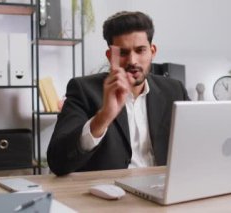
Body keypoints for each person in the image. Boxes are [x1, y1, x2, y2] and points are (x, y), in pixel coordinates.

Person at [47, 11, 190, 176]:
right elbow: (57, 161)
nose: (132, 61)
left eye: (140, 50)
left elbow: (196, 143)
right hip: (111, 193)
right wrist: (103, 118)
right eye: (123, 53)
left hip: (164, 187)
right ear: (110, 56)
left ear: (152, 51)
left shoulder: (174, 90)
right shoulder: (83, 90)